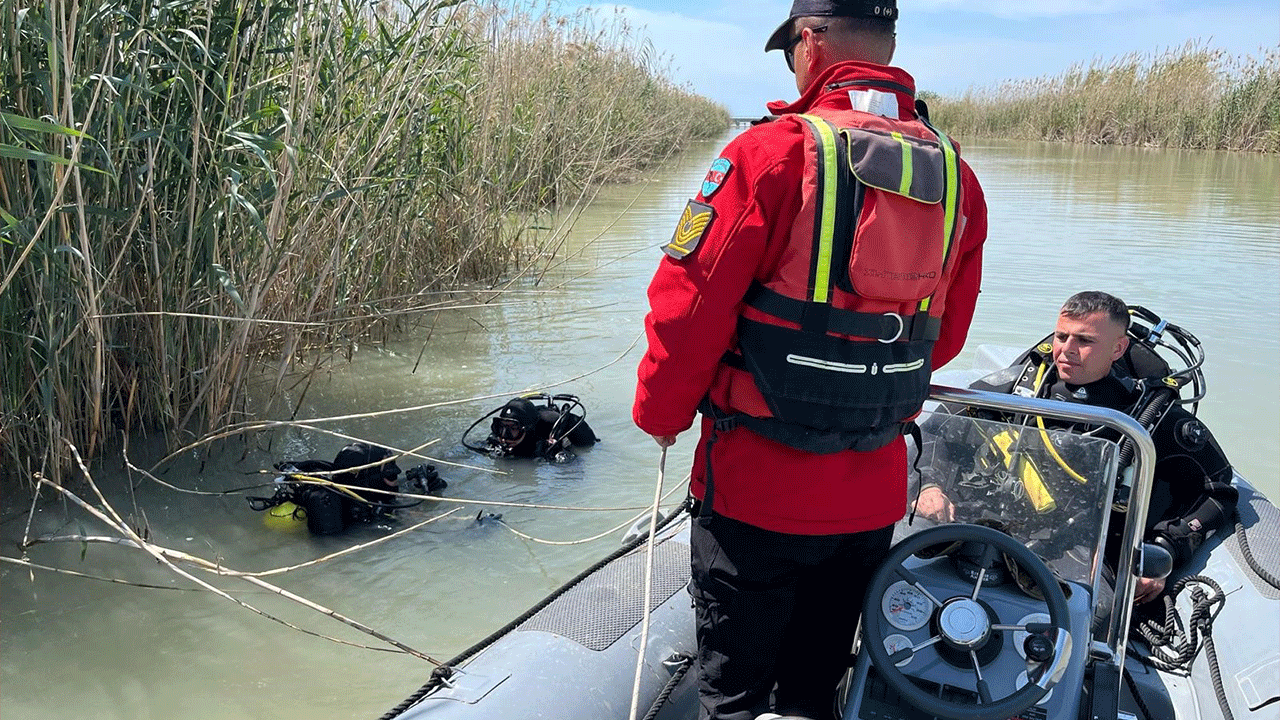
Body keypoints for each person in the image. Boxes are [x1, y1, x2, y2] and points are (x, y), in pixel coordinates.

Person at [632, 2, 988, 719]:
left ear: (810, 42)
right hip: (872, 491)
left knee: (734, 693)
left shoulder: (769, 154)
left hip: (755, 490)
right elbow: (942, 341)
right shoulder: (959, 178)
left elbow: (688, 310)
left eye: (791, 48)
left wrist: (660, 415)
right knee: (815, 686)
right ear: (888, 46)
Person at [916, 291, 1238, 608]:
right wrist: (931, 485)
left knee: (1093, 615)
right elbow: (937, 430)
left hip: (1082, 555)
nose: (1066, 350)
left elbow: (1217, 489)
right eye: (1061, 336)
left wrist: (1165, 547)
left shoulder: (1148, 416)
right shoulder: (1021, 388)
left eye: (1084, 341)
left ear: (1118, 348)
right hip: (995, 526)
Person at [472, 395, 599, 462]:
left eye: (512, 428)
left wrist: (558, 453)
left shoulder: (539, 441)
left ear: (526, 430)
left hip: (570, 428)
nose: (504, 436)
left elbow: (576, 468)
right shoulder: (499, 437)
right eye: (501, 427)